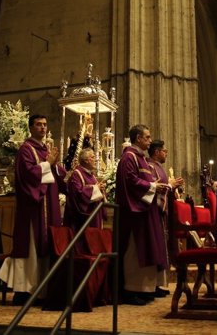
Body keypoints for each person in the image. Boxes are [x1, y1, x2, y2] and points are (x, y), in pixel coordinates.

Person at [0, 114, 67, 305]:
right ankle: (24, 290)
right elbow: (28, 175)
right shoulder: (26, 150)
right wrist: (49, 164)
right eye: (38, 125)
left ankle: (42, 289)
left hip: (49, 205)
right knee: (31, 247)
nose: (43, 128)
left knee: (45, 247)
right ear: (30, 127)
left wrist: (63, 171)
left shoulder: (46, 150)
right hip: (33, 208)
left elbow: (57, 176)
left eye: (45, 125)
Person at [116, 124, 170, 305]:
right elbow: (130, 180)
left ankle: (145, 289)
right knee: (135, 251)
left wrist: (156, 187)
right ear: (138, 138)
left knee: (147, 249)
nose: (149, 140)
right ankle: (131, 290)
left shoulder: (141, 159)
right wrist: (153, 186)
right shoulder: (129, 158)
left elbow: (145, 180)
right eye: (147, 137)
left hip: (146, 209)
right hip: (134, 213)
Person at [147, 139, 184, 297]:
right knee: (156, 248)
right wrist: (170, 185)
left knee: (162, 248)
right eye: (164, 151)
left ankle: (158, 284)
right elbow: (155, 187)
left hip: (162, 215)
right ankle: (153, 285)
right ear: (156, 152)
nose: (166, 153)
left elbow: (164, 187)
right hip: (155, 213)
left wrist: (172, 186)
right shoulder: (150, 166)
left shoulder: (158, 167)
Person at [63, 148, 106, 232]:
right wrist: (96, 188)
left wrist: (100, 189)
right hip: (83, 220)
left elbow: (96, 192)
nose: (96, 160)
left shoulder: (92, 175)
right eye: (93, 157)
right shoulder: (77, 174)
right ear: (86, 160)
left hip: (94, 215)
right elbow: (78, 194)